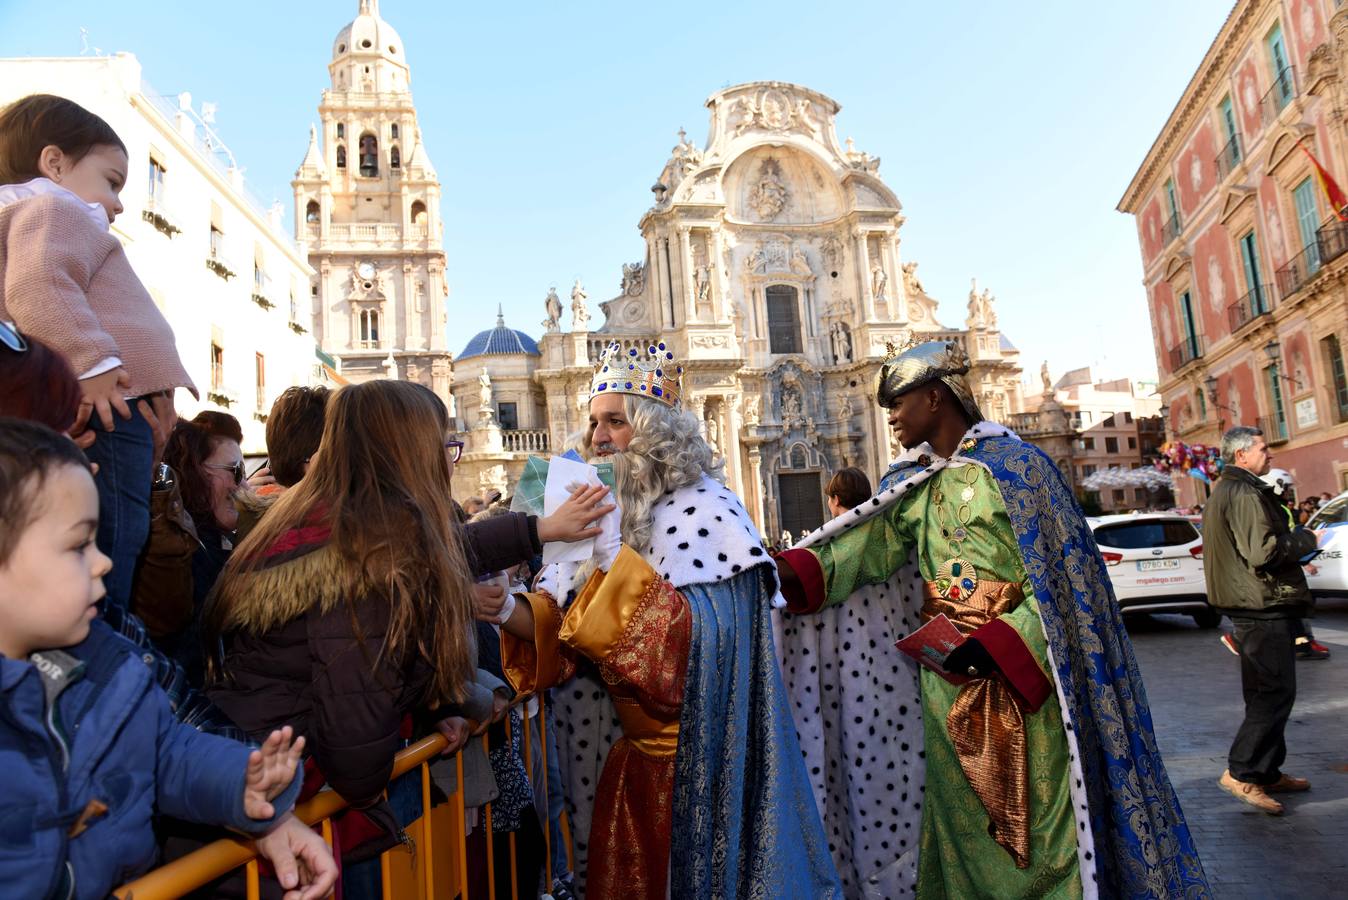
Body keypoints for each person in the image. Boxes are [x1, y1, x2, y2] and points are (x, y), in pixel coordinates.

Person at [773, 340, 1207, 896]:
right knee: (959, 830)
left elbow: (1062, 589)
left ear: (934, 398)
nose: (892, 418)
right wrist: (781, 573)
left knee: (1038, 838)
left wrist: (1000, 643)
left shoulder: (1022, 472)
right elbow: (865, 546)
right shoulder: (913, 483)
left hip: (1022, 691)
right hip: (944, 685)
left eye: (899, 403)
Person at [499, 340, 841, 899]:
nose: (598, 438)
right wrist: (503, 609)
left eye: (615, 422)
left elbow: (688, 657)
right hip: (627, 773)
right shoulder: (607, 513)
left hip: (704, 775)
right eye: (593, 423)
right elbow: (563, 635)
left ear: (656, 429)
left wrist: (613, 563)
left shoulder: (711, 511)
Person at [0, 418, 324, 899]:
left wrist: (244, 784)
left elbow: (171, 754)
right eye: (77, 545)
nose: (103, 561)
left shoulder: (109, 665)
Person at [0, 94, 196, 615]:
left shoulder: (41, 213)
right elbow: (39, 289)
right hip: (109, 410)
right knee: (114, 538)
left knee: (117, 531)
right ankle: (102, 639)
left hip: (115, 409)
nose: (119, 203)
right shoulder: (54, 210)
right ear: (54, 163)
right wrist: (94, 363)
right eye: (112, 181)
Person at [1204, 426, 1319, 815]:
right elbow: (1263, 552)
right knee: (1273, 692)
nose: (1269, 454)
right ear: (1241, 456)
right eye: (1263, 449)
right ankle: (1243, 772)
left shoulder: (1233, 489)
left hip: (1254, 603)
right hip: (1260, 605)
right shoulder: (1243, 492)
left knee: (1265, 692)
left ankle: (1266, 770)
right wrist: (1305, 540)